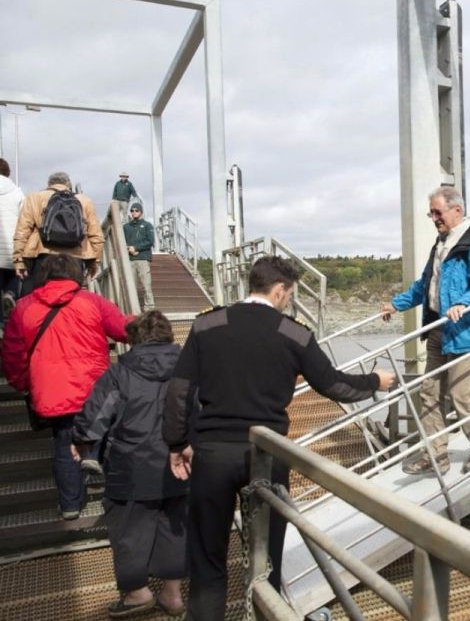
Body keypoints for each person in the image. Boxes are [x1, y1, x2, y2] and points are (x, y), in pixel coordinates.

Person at [163, 256, 395, 620]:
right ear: (280, 290)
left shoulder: (208, 323)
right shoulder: (293, 332)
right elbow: (333, 384)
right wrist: (374, 382)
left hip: (214, 453)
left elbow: (178, 391)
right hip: (267, 453)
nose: (288, 300)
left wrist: (177, 444)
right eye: (289, 294)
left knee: (207, 558)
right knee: (266, 558)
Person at [72, 311, 187, 618]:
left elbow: (95, 417)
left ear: (134, 339)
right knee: (175, 527)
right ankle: (173, 595)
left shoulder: (119, 373)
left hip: (131, 465)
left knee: (130, 531)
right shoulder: (191, 370)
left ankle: (138, 593)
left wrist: (81, 439)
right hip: (180, 464)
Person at [381, 185, 470, 475]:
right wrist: (397, 305)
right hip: (437, 329)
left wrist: (464, 302)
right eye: (431, 213)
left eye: (438, 212)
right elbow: (426, 284)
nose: (434, 217)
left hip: (465, 330)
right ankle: (435, 454)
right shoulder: (442, 242)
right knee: (430, 393)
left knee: (462, 396)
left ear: (457, 210)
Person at [1, 254, 129, 519]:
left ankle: (70, 505)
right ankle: (112, 492)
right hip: (94, 389)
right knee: (104, 434)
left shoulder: (23, 307)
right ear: (75, 274)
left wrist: (26, 385)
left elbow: (13, 356)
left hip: (52, 393)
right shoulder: (93, 302)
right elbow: (123, 330)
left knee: (63, 443)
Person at [12, 171, 103, 295]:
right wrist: (94, 262)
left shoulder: (33, 198)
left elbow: (22, 231)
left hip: (42, 256)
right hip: (75, 257)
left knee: (37, 296)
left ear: (49, 184)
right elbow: (96, 235)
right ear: (68, 185)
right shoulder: (85, 200)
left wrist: (19, 260)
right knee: (70, 298)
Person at [0, 158, 24, 321]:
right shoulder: (17, 192)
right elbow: (25, 222)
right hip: (11, 249)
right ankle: (10, 294)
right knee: (14, 279)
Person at [124, 201, 155, 311]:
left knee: (146, 285)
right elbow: (121, 241)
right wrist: (129, 249)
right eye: (132, 210)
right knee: (131, 286)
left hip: (143, 259)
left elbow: (150, 241)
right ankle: (133, 309)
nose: (134, 212)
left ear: (141, 212)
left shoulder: (147, 225)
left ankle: (150, 308)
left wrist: (136, 248)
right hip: (130, 259)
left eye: (136, 210)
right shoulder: (126, 227)